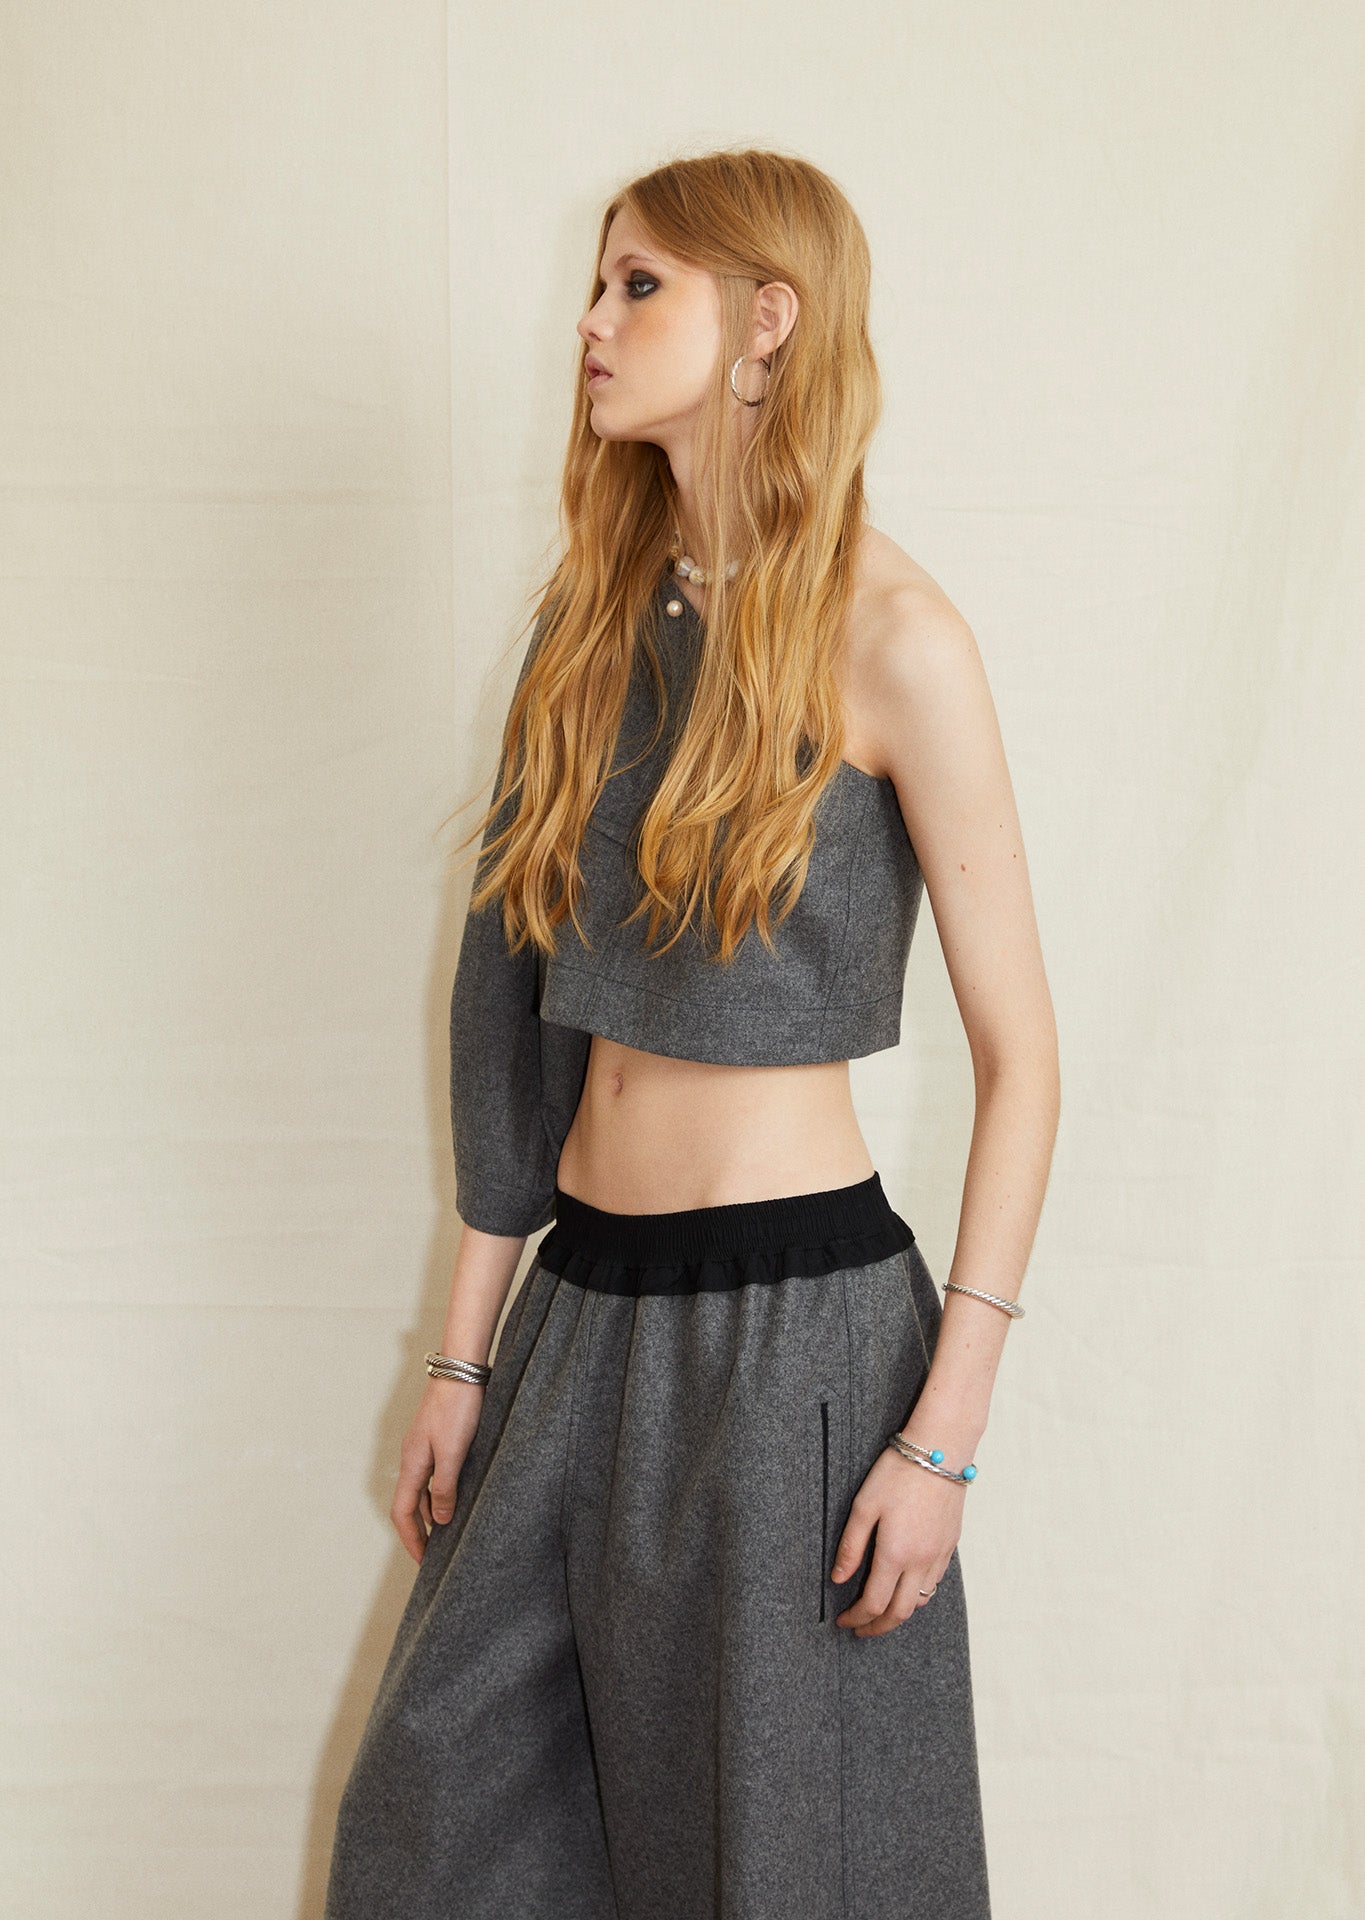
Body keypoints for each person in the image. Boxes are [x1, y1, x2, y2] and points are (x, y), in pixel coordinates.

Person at [324, 148, 1060, 1920]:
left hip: (795, 1337)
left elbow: (1022, 1060)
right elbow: (504, 1010)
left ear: (767, 320)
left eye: (636, 284)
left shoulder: (896, 639)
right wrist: (461, 1357)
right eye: (598, 282)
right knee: (436, 1831)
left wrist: (942, 1434)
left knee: (777, 1864)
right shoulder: (590, 624)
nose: (588, 321)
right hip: (576, 1313)